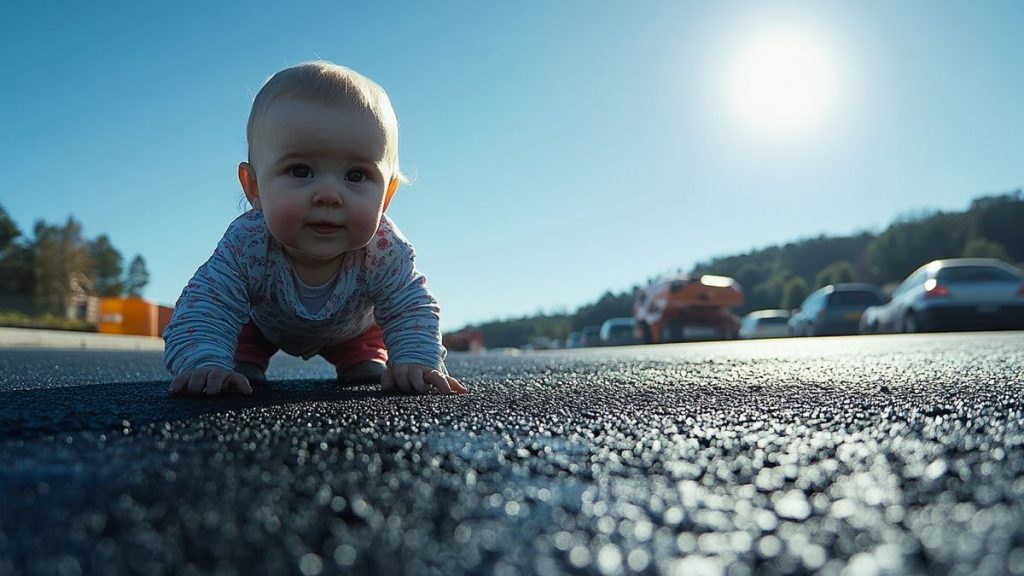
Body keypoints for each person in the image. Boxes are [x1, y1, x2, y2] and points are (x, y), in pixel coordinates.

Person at [163, 61, 466, 397]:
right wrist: (203, 362)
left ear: (387, 196)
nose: (328, 195)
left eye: (355, 175)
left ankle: (362, 354)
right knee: (236, 357)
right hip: (262, 325)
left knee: (367, 365)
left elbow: (411, 307)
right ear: (254, 187)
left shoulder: (384, 249)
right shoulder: (248, 243)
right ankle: (240, 356)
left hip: (352, 330)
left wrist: (416, 360)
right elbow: (207, 303)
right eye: (300, 170)